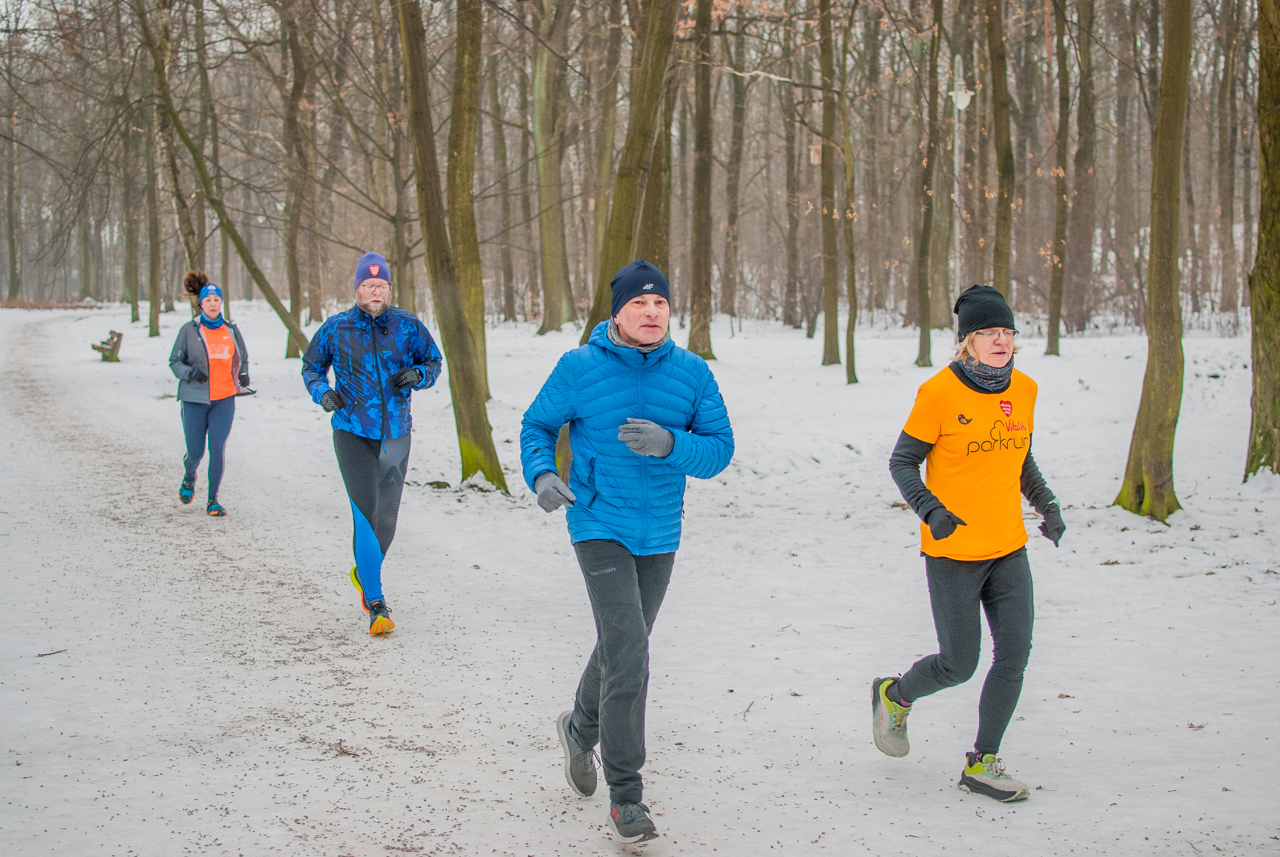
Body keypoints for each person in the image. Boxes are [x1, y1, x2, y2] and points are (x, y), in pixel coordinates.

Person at [520, 259, 734, 844]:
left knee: (623, 642)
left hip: (661, 530)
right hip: (597, 521)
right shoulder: (579, 367)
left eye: (660, 303)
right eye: (639, 303)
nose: (651, 312)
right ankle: (627, 795)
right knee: (630, 651)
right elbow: (537, 426)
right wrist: (541, 474)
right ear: (616, 312)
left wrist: (673, 445)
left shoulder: (692, 373)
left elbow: (719, 451)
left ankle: (579, 728)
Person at [871, 284, 1066, 802]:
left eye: (1007, 332)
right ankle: (894, 694)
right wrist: (931, 510)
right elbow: (902, 462)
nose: (1000, 341)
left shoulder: (1022, 390)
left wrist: (1047, 505)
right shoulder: (938, 393)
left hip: (1008, 547)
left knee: (1014, 655)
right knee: (959, 663)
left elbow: (1019, 459)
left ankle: (983, 762)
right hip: (953, 552)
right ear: (967, 341)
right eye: (987, 333)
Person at [302, 251, 442, 635]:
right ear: (358, 288)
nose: (375, 291)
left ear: (389, 289)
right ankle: (376, 603)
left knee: (387, 521)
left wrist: (418, 374)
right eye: (368, 285)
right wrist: (322, 393)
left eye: (381, 285)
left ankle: (363, 570)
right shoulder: (337, 327)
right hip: (351, 431)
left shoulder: (409, 326)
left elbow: (434, 362)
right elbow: (311, 366)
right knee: (365, 513)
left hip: (397, 434)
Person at [169, 271, 251, 517]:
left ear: (221, 303)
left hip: (224, 398)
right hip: (195, 399)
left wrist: (244, 375)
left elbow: (242, 357)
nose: (213, 304)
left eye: (217, 300)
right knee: (196, 452)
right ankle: (189, 477)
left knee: (217, 448)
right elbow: (175, 362)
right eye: (208, 301)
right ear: (201, 304)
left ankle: (213, 500)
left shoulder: (231, 330)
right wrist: (191, 374)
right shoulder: (189, 331)